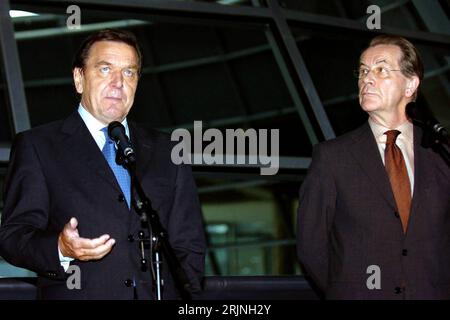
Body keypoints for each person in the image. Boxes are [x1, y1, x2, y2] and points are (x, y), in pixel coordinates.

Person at [0, 29, 206, 300]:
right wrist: (61, 248)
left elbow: (189, 244)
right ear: (79, 78)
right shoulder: (38, 146)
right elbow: (13, 237)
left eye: (129, 72)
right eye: (105, 69)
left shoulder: (169, 150)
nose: (118, 82)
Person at [297, 35, 450, 299]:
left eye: (381, 69)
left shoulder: (440, 152)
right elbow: (311, 246)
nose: (367, 79)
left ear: (410, 85)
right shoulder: (332, 157)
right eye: (364, 71)